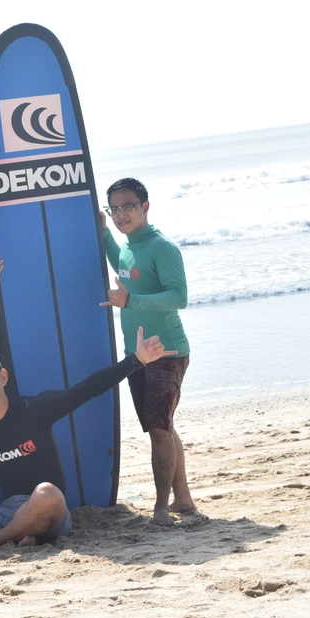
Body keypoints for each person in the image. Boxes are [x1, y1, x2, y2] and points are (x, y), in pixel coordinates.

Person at [0, 327, 176, 549]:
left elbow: (86, 389)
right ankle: (15, 537)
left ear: (3, 377)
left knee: (46, 492)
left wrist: (136, 360)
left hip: (50, 511)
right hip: (9, 511)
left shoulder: (33, 409)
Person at [98, 177, 195, 526]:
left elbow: (178, 297)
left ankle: (160, 508)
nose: (121, 214)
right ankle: (183, 498)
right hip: (138, 354)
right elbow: (118, 259)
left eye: (128, 206)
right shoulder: (127, 246)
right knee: (162, 424)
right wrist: (102, 230)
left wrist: (131, 301)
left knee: (158, 428)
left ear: (145, 206)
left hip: (166, 352)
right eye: (115, 208)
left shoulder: (161, 247)